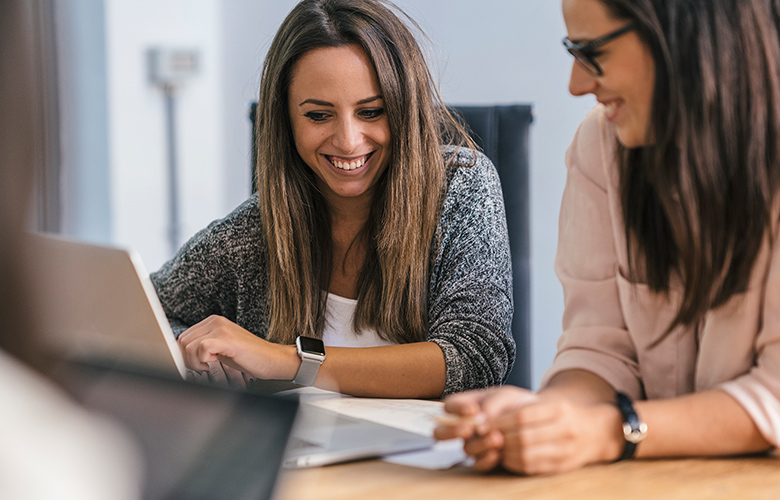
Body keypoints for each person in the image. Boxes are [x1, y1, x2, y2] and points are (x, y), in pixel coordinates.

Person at [435, 0, 780, 475]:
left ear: (684, 33)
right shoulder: (601, 147)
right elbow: (598, 348)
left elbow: (775, 397)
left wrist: (610, 431)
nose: (576, 85)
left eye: (592, 51)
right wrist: (550, 416)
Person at [150, 0, 515, 398]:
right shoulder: (255, 229)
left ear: (405, 109)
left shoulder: (461, 187)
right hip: (297, 457)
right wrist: (197, 353)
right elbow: (145, 311)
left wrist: (284, 359)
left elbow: (474, 357)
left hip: (427, 456)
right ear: (286, 120)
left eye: (372, 112)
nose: (348, 140)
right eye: (318, 116)